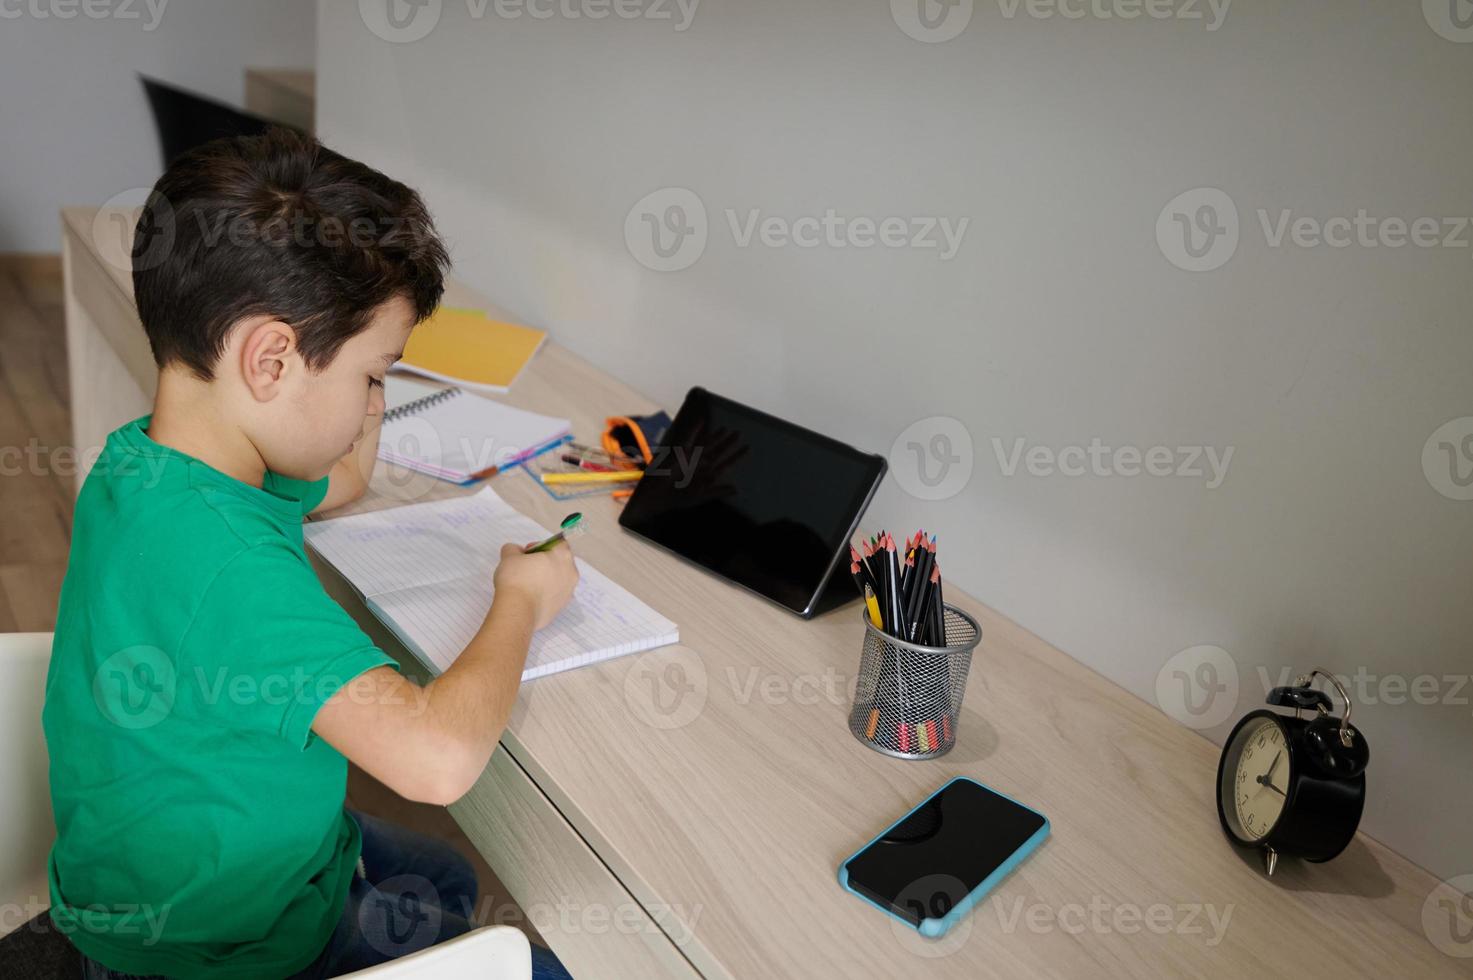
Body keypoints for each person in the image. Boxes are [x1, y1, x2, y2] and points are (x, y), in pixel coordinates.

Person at [43, 129, 579, 979]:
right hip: (219, 950)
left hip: (180, 856)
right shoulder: (228, 568)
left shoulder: (153, 463)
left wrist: (356, 381)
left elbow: (335, 483)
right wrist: (521, 597)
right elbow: (436, 762)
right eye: (374, 376)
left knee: (441, 873)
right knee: (531, 956)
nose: (376, 402)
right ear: (270, 359)